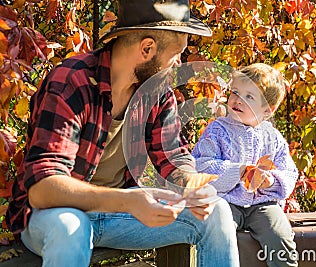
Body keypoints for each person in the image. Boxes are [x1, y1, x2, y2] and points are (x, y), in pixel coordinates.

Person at [5, 0, 240, 266]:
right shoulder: (72, 82)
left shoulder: (158, 93)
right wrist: (127, 202)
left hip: (123, 216)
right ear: (147, 48)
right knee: (71, 227)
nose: (179, 64)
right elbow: (42, 189)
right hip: (55, 215)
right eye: (177, 54)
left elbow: (173, 159)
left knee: (216, 212)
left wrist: (191, 186)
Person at [192, 63, 299, 267]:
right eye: (235, 92)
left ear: (267, 111)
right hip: (226, 201)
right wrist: (236, 171)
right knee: (217, 234)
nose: (238, 100)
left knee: (279, 235)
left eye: (249, 97)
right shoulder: (217, 131)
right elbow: (200, 166)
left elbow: (289, 172)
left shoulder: (272, 137)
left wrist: (271, 182)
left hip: (262, 204)